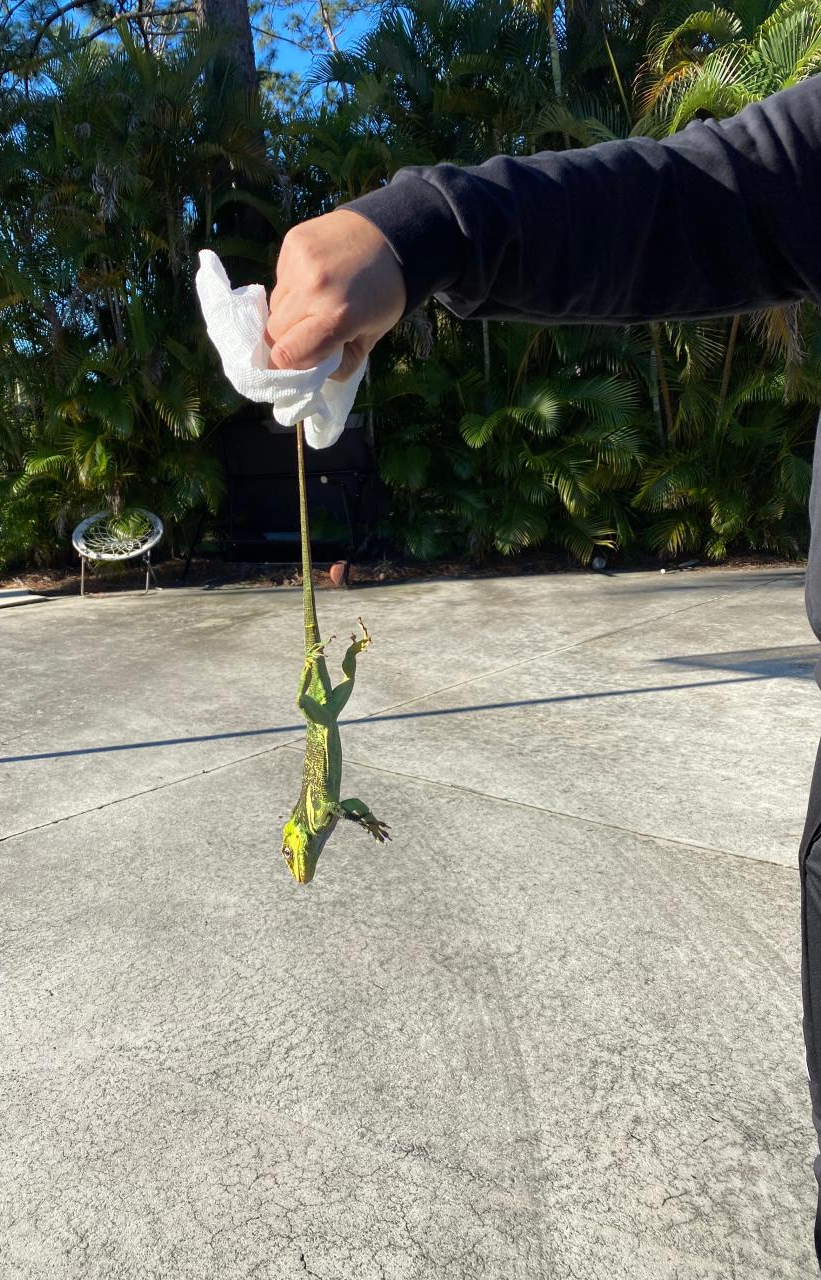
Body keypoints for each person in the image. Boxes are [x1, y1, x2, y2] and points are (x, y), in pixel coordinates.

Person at [265, 72, 821, 1267]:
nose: (305, 832)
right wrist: (417, 231)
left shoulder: (321, 762)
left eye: (301, 837)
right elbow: (715, 190)